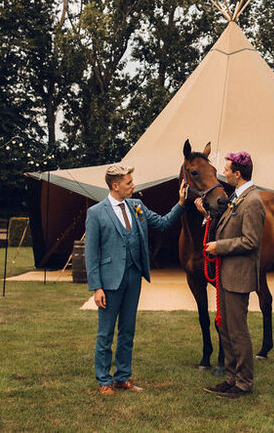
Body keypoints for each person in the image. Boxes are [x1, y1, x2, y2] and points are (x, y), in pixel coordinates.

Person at [85, 163, 188, 395]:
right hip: (109, 281)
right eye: (128, 183)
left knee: (127, 331)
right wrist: (96, 287)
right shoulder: (96, 213)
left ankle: (123, 377)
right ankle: (104, 380)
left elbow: (162, 223)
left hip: (134, 277)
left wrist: (181, 203)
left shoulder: (137, 206)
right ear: (115, 186)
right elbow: (91, 254)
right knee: (105, 333)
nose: (133, 186)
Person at [199, 150, 265, 399]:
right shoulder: (236, 197)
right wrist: (206, 216)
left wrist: (220, 247)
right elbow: (227, 227)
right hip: (227, 275)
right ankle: (231, 378)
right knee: (226, 328)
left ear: (237, 174)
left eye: (226, 170)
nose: (223, 173)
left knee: (238, 330)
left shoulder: (253, 201)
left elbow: (251, 241)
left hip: (239, 277)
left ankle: (244, 383)